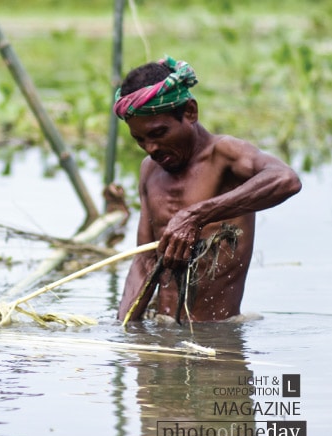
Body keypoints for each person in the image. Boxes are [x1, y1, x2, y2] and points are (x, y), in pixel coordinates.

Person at [114, 56, 301, 322]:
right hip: (162, 329)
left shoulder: (224, 155)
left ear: (190, 112)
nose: (150, 148)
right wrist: (124, 327)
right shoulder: (149, 169)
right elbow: (144, 261)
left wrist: (195, 216)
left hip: (215, 337)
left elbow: (286, 179)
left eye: (158, 134)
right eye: (140, 139)